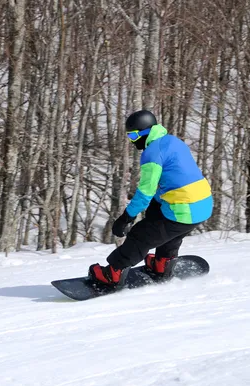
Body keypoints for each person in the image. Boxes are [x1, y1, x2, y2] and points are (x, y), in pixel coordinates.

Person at [89, 110, 213, 287]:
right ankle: (163, 264)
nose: (132, 141)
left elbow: (145, 192)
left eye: (132, 136)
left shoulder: (152, 154)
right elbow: (176, 178)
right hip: (203, 205)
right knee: (166, 227)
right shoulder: (172, 141)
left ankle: (113, 274)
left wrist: (126, 217)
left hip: (183, 209)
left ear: (144, 133)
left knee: (141, 236)